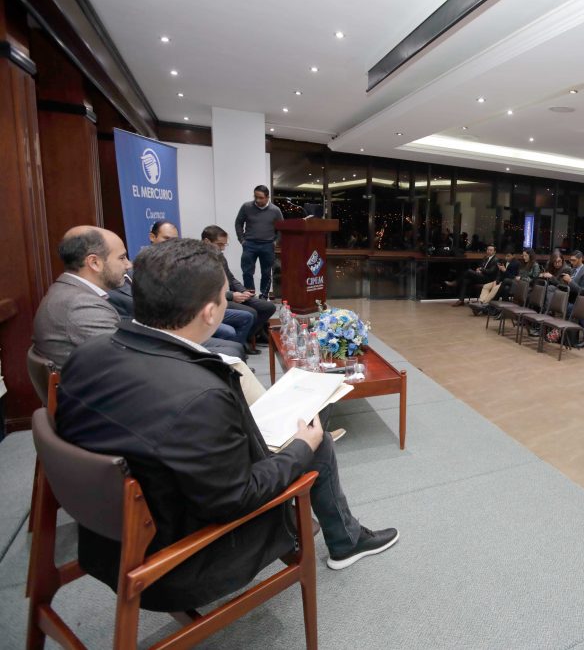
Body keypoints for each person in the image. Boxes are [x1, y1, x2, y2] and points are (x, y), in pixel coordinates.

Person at [56, 239, 399, 612]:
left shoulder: (86, 356)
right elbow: (237, 499)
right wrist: (303, 445)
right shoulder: (200, 394)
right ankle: (346, 541)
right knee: (315, 443)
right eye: (224, 297)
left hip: (103, 540)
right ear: (209, 312)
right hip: (176, 563)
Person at [112, 221, 256, 355]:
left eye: (175, 240)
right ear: (152, 237)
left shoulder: (182, 262)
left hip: (190, 310)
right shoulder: (142, 268)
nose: (171, 244)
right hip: (168, 324)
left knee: (246, 319)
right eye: (166, 238)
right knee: (229, 333)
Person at [32, 226, 131, 368]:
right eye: (122, 258)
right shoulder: (81, 306)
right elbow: (127, 362)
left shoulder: (66, 291)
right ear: (94, 263)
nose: (128, 265)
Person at [201, 225, 277, 343]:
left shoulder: (219, 256)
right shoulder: (198, 261)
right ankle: (240, 342)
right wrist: (232, 296)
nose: (222, 248)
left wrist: (243, 291)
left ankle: (250, 335)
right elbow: (206, 290)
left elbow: (231, 278)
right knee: (251, 312)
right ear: (206, 241)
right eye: (219, 244)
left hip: (232, 295)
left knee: (268, 307)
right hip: (217, 300)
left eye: (224, 245)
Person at [235, 184, 283, 300]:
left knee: (266, 273)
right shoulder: (246, 207)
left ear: (267, 197)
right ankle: (250, 295)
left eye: (260, 198)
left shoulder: (275, 210)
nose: (257, 200)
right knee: (247, 272)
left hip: (267, 245)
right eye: (255, 197)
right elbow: (238, 223)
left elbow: (282, 228)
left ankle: (264, 296)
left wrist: (275, 242)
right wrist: (242, 240)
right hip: (249, 244)